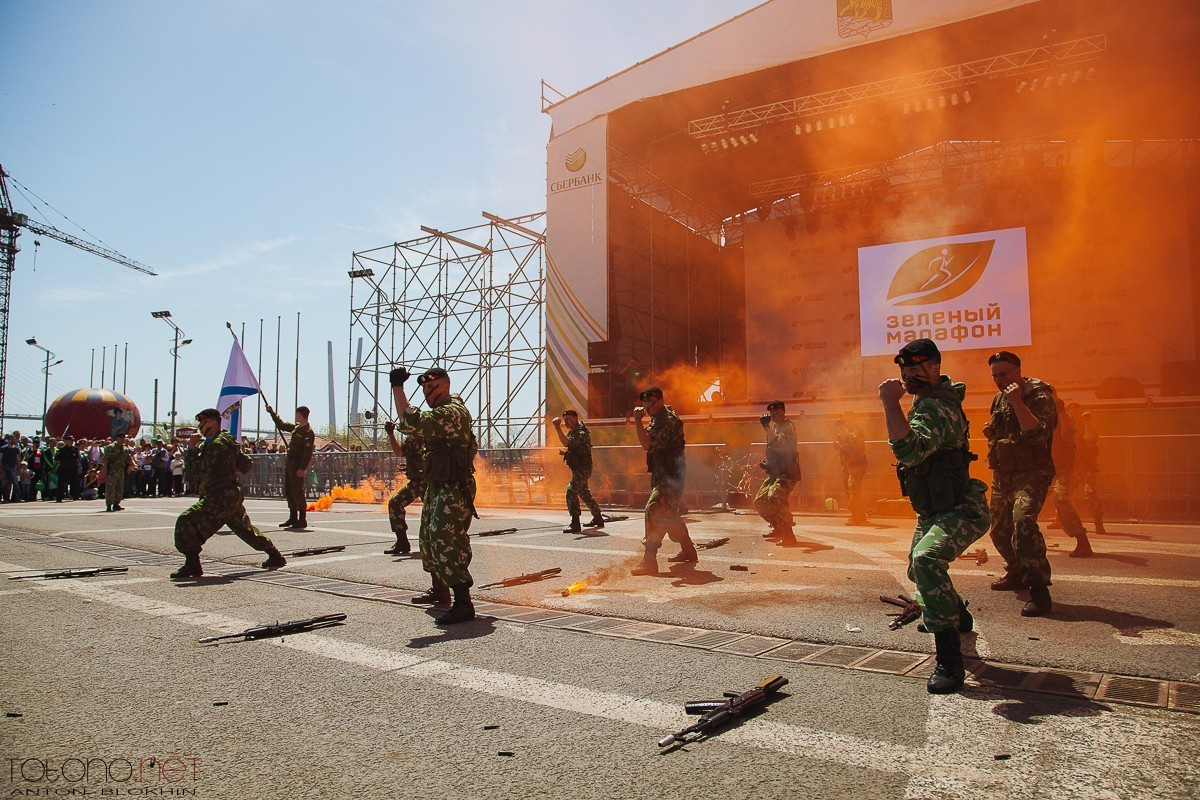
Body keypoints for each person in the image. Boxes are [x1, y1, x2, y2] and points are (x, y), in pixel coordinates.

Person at [880, 338, 990, 694]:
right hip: (935, 509)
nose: (910, 374)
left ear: (936, 367)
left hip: (961, 508)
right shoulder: (926, 402)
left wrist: (888, 403)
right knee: (917, 569)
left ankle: (949, 660)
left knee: (926, 560)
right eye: (905, 368)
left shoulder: (935, 408)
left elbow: (910, 451)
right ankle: (959, 616)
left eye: (919, 367)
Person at [392, 367, 479, 625]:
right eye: (424, 390)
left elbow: (412, 422)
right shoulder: (442, 413)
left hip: (454, 485)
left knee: (446, 536)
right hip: (438, 484)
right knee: (428, 537)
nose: (427, 394)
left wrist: (398, 388)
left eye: (431, 388)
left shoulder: (453, 412)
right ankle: (439, 590)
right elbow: (411, 431)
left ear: (445, 386)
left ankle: (463, 602)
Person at [169, 408, 286, 580]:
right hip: (229, 495)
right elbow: (246, 463)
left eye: (204, 422)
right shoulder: (226, 440)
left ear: (214, 422)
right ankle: (275, 555)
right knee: (245, 530)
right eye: (200, 423)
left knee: (186, 520)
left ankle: (192, 563)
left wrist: (192, 448)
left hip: (220, 496)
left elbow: (196, 471)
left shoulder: (216, 444)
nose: (200, 426)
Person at [983, 350, 1056, 617]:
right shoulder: (999, 398)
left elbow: (1037, 434)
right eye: (995, 376)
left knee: (1023, 521)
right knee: (997, 528)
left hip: (1032, 472)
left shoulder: (1038, 396)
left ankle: (1039, 589)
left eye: (1004, 374)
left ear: (1018, 372)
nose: (999, 380)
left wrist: (1017, 402)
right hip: (1005, 473)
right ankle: (1015, 571)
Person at [631, 386, 697, 575]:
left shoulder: (669, 421)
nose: (645, 406)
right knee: (669, 514)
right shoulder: (657, 419)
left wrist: (637, 421)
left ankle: (649, 559)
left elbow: (647, 444)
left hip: (672, 476)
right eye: (643, 402)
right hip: (662, 474)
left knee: (654, 508)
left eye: (649, 402)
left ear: (659, 401)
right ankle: (688, 550)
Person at [1046, 390, 1093, 557]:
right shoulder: (1037, 412)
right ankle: (1025, 542)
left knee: (1061, 499)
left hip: (1062, 470)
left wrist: (1059, 408)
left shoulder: (1063, 415)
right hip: (1043, 469)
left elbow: (1068, 434)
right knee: (1027, 503)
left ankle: (1082, 541)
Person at [753, 401, 801, 546]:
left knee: (776, 496)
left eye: (779, 413)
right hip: (775, 472)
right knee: (760, 501)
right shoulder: (775, 427)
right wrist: (767, 465)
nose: (775, 416)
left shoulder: (787, 427)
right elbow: (773, 450)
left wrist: (766, 427)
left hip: (786, 472)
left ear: (784, 413)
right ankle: (778, 527)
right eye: (773, 414)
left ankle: (788, 535)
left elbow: (781, 446)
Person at [552, 409, 605, 533]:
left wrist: (557, 428)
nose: (567, 422)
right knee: (584, 493)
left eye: (569, 419)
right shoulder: (572, 432)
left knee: (571, 490)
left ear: (576, 419)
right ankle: (598, 518)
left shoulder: (581, 433)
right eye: (565, 420)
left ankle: (575, 523)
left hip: (583, 468)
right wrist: (565, 453)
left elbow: (567, 443)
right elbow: (575, 449)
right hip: (579, 468)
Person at [265, 402, 317, 530]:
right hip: (290, 462)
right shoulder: (296, 428)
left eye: (297, 414)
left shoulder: (308, 432)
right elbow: (281, 425)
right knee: (289, 490)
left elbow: (307, 452)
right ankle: (293, 516)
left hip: (297, 463)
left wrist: (302, 468)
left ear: (301, 415)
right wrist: (272, 413)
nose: (296, 417)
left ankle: (302, 518)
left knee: (297, 490)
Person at [381, 419, 424, 555]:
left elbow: (398, 452)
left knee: (395, 503)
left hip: (421, 482)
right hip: (428, 480)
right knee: (432, 512)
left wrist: (390, 434)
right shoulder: (429, 435)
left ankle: (402, 542)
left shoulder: (415, 438)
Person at [1074, 410, 1107, 536]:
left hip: (1087, 468)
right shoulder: (1071, 429)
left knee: (1090, 494)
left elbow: (1090, 440)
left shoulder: (1087, 429)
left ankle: (1098, 522)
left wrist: (1087, 423)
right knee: (1063, 494)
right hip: (1075, 468)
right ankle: (1059, 520)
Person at [834, 413, 870, 525]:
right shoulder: (843, 432)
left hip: (857, 463)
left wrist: (844, 433)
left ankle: (856, 516)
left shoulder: (856, 431)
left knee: (853, 487)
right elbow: (845, 447)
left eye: (847, 419)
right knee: (850, 489)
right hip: (847, 464)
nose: (845, 422)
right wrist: (838, 447)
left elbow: (856, 444)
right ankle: (860, 515)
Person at [102, 434, 133, 512]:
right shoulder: (111, 447)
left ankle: (116, 504)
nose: (122, 439)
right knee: (110, 488)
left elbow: (129, 458)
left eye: (124, 438)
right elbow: (105, 460)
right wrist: (105, 470)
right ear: (117, 438)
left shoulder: (125, 449)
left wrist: (134, 465)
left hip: (121, 470)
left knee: (119, 487)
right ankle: (109, 505)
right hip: (112, 470)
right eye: (121, 438)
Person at [0, 433, 21, 502]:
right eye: (11, 439)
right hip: (4, 467)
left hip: (13, 467)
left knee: (15, 483)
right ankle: (5, 498)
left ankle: (16, 498)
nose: (12, 440)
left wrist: (19, 468)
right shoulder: (3, 449)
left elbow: (18, 459)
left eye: (13, 439)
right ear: (7, 440)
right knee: (3, 483)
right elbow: (0, 459)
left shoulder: (16, 449)